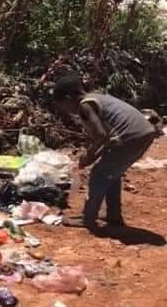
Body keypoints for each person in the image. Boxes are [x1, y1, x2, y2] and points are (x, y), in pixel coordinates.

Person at [53, 72, 158, 229]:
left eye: (63, 106)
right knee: (111, 174)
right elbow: (106, 139)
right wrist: (92, 156)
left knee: (98, 174)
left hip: (130, 137)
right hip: (143, 133)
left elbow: (100, 136)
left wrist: (88, 156)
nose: (66, 110)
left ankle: (88, 219)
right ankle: (113, 216)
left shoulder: (85, 106)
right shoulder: (98, 97)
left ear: (69, 98)